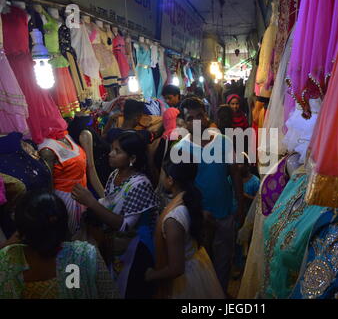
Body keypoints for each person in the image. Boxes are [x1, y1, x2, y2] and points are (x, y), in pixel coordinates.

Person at [71, 132, 160, 299]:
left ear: (132, 158)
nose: (110, 154)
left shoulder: (140, 183)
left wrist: (92, 203)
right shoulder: (115, 175)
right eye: (112, 149)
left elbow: (125, 225)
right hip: (117, 245)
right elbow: (109, 204)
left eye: (117, 151)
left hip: (136, 248)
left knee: (132, 288)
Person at [172, 97, 244, 293]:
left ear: (206, 116)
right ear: (184, 121)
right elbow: (180, 186)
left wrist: (240, 203)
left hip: (225, 211)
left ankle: (220, 293)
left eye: (199, 115)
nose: (196, 121)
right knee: (202, 262)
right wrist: (197, 211)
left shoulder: (224, 141)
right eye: (190, 117)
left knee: (224, 260)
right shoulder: (180, 149)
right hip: (197, 217)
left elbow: (235, 173)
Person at [0, 189, 119, 299]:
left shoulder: (8, 259)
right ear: (63, 223)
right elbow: (109, 294)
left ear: (21, 228)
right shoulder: (80, 257)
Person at [147, 160, 225, 299]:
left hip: (185, 281)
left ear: (170, 180)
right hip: (199, 267)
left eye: (163, 175)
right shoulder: (190, 202)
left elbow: (176, 268)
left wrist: (152, 275)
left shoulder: (174, 218)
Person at [38, 132, 88, 236]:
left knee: (81, 233)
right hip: (65, 198)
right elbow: (49, 187)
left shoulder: (66, 136)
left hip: (81, 194)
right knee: (69, 235)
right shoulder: (47, 149)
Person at [68, 113, 112, 197]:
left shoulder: (78, 128)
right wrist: (104, 197)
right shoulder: (84, 133)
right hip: (99, 177)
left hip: (102, 174)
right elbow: (90, 167)